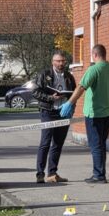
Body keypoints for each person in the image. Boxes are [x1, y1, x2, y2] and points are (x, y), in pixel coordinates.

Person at [60, 44, 109, 183]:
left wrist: (69, 103)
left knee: (96, 145)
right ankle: (100, 172)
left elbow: (81, 87)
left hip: (94, 113)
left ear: (95, 55)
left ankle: (99, 175)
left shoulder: (94, 70)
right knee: (101, 143)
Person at [32, 52, 76, 184]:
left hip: (63, 112)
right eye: (58, 61)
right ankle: (40, 174)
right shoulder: (44, 75)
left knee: (58, 144)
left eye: (63, 61)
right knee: (45, 143)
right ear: (53, 62)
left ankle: (52, 173)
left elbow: (74, 94)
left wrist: (71, 109)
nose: (61, 64)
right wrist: (51, 98)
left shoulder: (69, 77)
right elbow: (35, 92)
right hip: (48, 112)